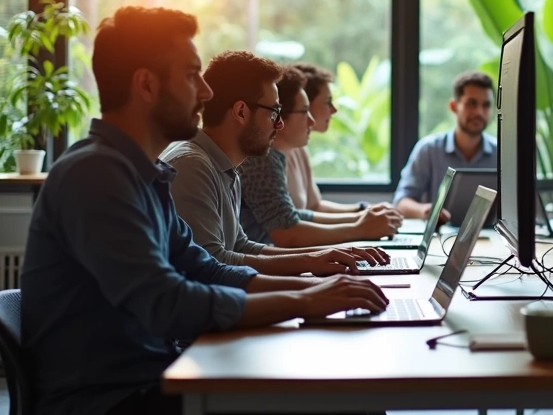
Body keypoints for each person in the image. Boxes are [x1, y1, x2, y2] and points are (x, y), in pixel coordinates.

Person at [21, 6, 392, 415]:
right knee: (340, 408)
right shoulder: (96, 174)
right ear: (146, 84)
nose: (206, 92)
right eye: (191, 75)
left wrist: (314, 287)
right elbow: (169, 303)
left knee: (348, 392)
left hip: (155, 378)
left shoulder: (145, 174)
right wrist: (304, 301)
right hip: (107, 408)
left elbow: (207, 267)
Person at [163, 51, 391, 275]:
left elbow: (241, 246)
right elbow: (213, 264)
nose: (280, 124)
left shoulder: (225, 166)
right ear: (241, 112)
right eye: (274, 112)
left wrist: (319, 256)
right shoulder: (193, 167)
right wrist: (309, 283)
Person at [240, 67, 402, 247]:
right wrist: (360, 227)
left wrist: (362, 217)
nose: (312, 120)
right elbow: (286, 232)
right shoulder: (262, 158)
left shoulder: (281, 154)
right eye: (305, 110)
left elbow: (295, 215)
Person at [393, 70, 497, 223]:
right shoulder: (428, 150)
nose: (479, 112)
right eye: (471, 103)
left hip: (489, 236)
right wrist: (426, 211)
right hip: (439, 234)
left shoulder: (501, 154)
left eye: (486, 105)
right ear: (454, 106)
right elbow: (401, 202)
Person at [285, 62, 369, 214]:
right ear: (305, 102)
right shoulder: (273, 152)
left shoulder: (300, 149)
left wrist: (363, 210)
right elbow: (287, 222)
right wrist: (361, 221)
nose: (334, 110)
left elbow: (314, 206)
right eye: (327, 101)